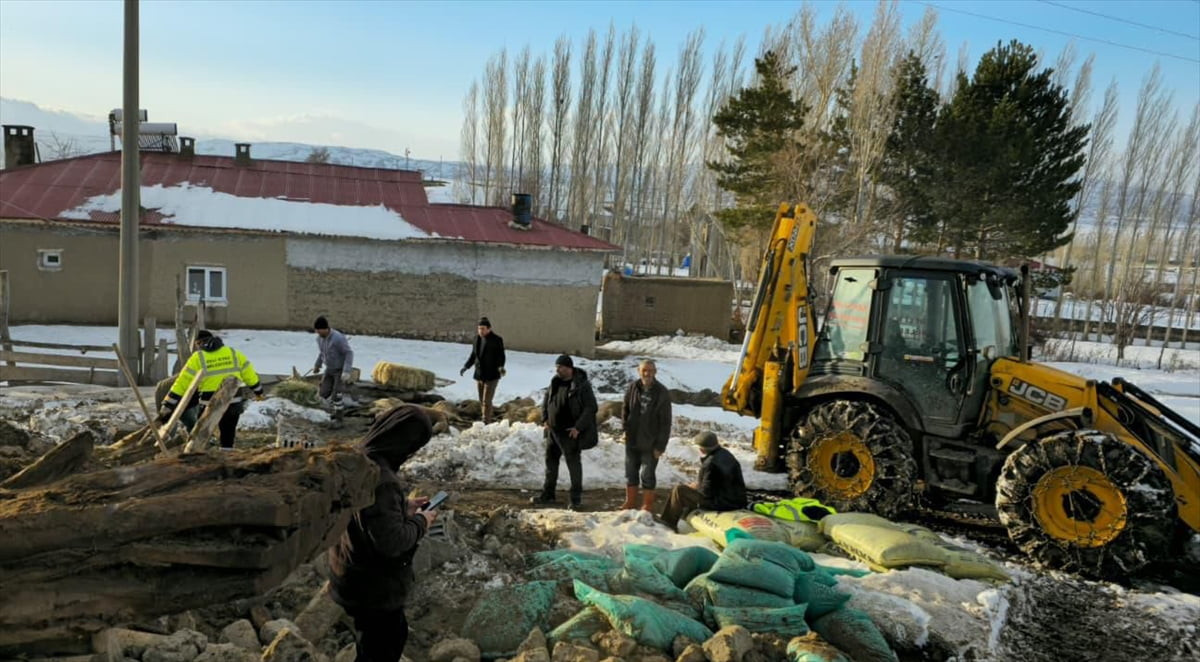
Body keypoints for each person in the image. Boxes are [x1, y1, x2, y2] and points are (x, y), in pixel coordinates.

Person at [328, 404, 440, 662]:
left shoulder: (356, 459)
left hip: (347, 571)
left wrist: (403, 507)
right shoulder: (382, 480)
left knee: (373, 641)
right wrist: (421, 522)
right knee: (385, 644)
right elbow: (392, 542)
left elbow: (365, 517)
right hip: (373, 588)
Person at [157, 330, 264, 450]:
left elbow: (182, 383)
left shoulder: (198, 358)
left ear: (199, 343)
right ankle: (226, 456)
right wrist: (258, 391)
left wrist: (168, 403)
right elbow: (249, 374)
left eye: (197, 345)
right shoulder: (233, 353)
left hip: (209, 403)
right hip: (233, 400)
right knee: (228, 432)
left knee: (201, 433)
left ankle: (197, 454)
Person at [532, 354, 597, 511]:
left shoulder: (581, 385)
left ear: (569, 368)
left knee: (573, 465)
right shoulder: (555, 381)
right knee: (551, 463)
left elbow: (591, 408)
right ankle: (548, 494)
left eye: (560, 367)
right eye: (556, 367)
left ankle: (576, 500)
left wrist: (578, 427)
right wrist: (545, 418)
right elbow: (546, 400)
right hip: (553, 430)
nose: (557, 370)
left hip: (569, 432)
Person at [660, 431, 747, 531]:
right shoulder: (727, 455)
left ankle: (667, 523)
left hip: (722, 503)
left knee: (679, 490)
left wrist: (695, 487)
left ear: (702, 448)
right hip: (736, 501)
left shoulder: (710, 463)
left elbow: (706, 492)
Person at [620, 359, 672, 512]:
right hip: (632, 439)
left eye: (650, 371)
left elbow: (665, 422)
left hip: (651, 442)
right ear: (639, 371)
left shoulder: (662, 392)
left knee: (647, 475)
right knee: (630, 473)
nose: (647, 373)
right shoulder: (633, 387)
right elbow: (625, 409)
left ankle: (647, 505)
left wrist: (660, 446)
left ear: (655, 372)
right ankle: (630, 502)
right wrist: (625, 429)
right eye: (644, 370)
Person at [459, 316, 506, 424]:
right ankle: (488, 416)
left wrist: (501, 367)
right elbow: (473, 355)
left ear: (489, 329)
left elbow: (501, 356)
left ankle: (486, 421)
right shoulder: (476, 339)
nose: (481, 331)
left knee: (486, 401)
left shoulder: (496, 340)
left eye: (483, 329)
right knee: (482, 400)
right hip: (480, 374)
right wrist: (466, 366)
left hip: (492, 375)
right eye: (479, 328)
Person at [313, 316, 355, 410]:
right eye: (316, 331)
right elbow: (322, 353)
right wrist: (317, 365)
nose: (317, 333)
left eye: (319, 331)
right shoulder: (319, 339)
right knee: (322, 393)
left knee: (337, 394)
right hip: (329, 369)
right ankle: (324, 409)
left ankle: (337, 412)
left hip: (340, 370)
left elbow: (349, 353)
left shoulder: (338, 338)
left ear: (325, 328)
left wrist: (346, 371)